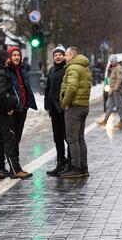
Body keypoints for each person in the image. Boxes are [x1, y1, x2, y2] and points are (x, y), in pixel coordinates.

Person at [0, 49, 31, 180]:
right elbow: (1, 94)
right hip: (1, 112)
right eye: (7, 57)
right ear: (2, 59)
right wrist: (9, 107)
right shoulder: (0, 72)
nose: (9, 60)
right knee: (10, 139)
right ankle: (16, 170)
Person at [59, 46, 92, 178]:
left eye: (66, 55)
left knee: (72, 138)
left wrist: (65, 103)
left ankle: (76, 167)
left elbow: (71, 88)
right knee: (80, 138)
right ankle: (83, 167)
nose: (65, 57)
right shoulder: (84, 67)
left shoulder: (73, 68)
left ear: (72, 55)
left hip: (74, 107)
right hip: (84, 106)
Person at [44, 44, 70, 176]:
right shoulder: (51, 70)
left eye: (60, 54)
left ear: (64, 56)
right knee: (57, 137)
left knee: (67, 136)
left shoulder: (67, 69)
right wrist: (47, 106)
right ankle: (60, 162)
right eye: (55, 55)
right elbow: (47, 88)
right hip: (54, 108)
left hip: (64, 108)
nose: (58, 57)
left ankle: (70, 163)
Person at [6, 46, 38, 153]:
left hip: (23, 107)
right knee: (12, 138)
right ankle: (13, 166)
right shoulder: (7, 70)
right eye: (14, 55)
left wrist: (28, 103)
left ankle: (15, 165)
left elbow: (26, 87)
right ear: (9, 57)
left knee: (18, 137)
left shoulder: (22, 69)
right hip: (13, 109)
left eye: (18, 55)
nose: (17, 57)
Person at [98, 56, 122, 129]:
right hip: (112, 90)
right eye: (110, 61)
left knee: (119, 106)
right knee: (109, 106)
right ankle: (105, 120)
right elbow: (109, 77)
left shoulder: (119, 68)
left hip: (116, 91)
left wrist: (116, 88)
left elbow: (119, 79)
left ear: (116, 61)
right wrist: (110, 68)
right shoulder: (113, 68)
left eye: (112, 61)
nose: (111, 63)